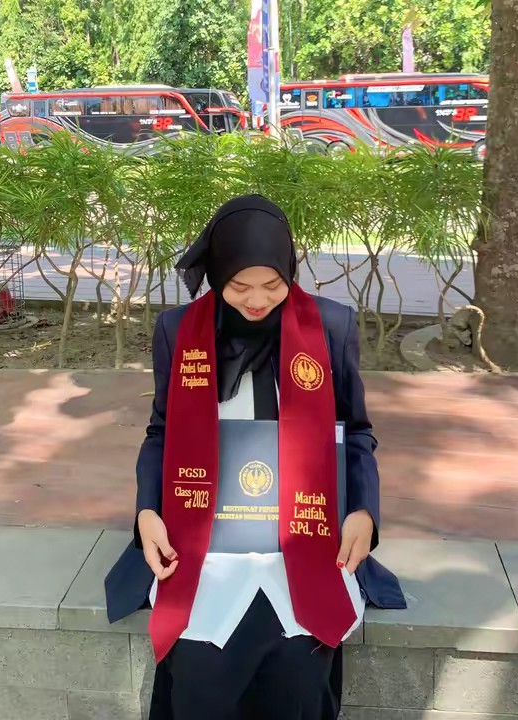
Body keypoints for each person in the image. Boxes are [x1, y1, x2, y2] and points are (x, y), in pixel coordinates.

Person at [105, 195, 406, 719]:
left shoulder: (329, 327)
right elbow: (161, 432)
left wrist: (364, 511)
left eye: (272, 284)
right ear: (217, 273)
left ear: (290, 270)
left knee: (299, 663)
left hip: (304, 533)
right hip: (204, 535)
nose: (257, 300)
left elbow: (356, 432)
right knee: (200, 667)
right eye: (239, 286)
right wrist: (147, 511)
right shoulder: (179, 331)